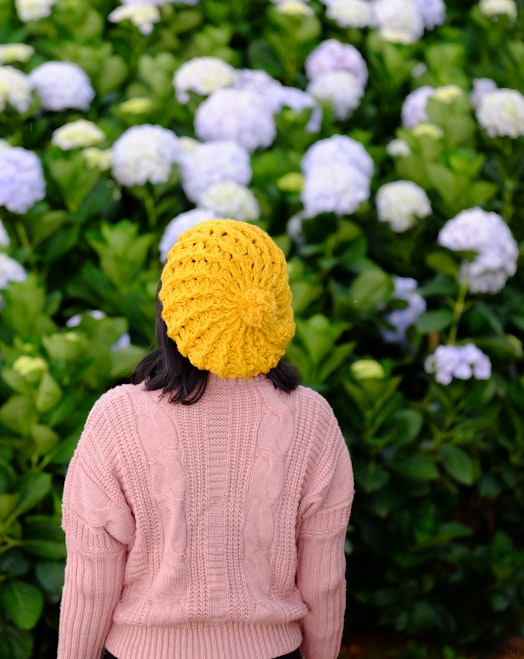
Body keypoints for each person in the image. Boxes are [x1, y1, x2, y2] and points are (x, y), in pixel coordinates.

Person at [57, 219, 354, 659]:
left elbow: (91, 580)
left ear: (172, 311)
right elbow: (324, 580)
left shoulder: (117, 418)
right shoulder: (311, 418)